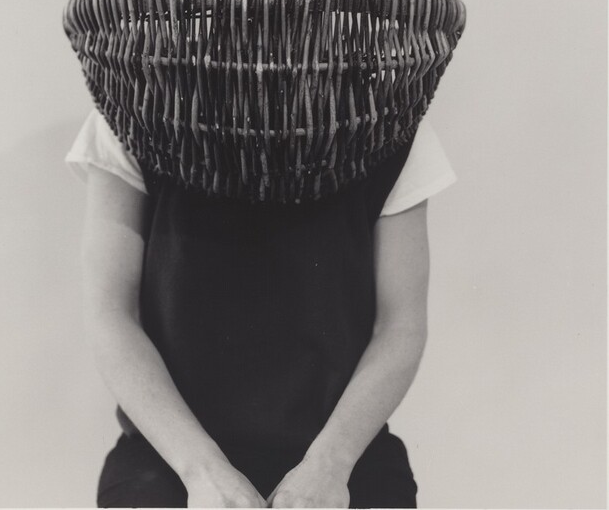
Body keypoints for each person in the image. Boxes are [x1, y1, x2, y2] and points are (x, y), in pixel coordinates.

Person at [65, 107, 456, 508]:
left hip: (344, 450)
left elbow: (399, 327)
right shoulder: (128, 112)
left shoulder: (393, 120)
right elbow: (113, 316)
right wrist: (202, 471)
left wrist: (329, 467)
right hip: (171, 452)